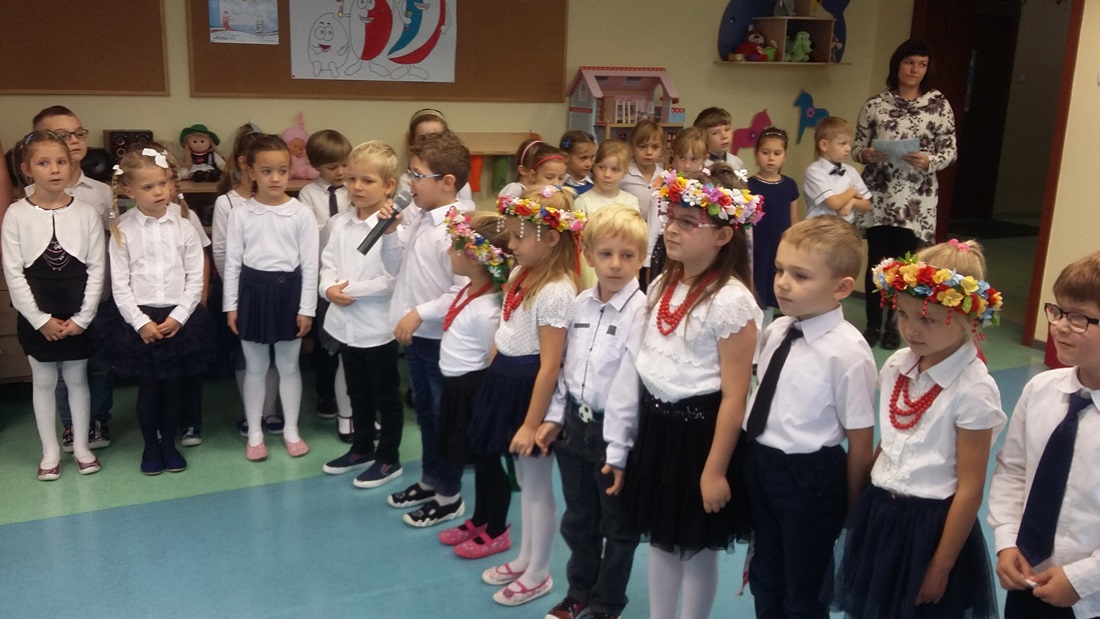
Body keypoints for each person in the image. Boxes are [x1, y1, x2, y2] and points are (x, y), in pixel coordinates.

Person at [833, 239, 1004, 619]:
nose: (911, 329)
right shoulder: (897, 364)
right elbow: (892, 441)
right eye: (903, 314)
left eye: (928, 319)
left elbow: (970, 488)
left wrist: (941, 565)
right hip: (881, 512)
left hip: (931, 527)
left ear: (968, 319)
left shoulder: (974, 389)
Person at [622, 165, 763, 619]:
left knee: (696, 547)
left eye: (687, 222)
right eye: (670, 218)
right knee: (662, 539)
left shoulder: (732, 301)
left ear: (723, 236)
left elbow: (735, 396)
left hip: (701, 438)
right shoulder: (664, 281)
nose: (671, 229)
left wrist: (715, 471)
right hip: (658, 430)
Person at [742, 217, 876, 618]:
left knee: (804, 589)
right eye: (780, 270)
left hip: (810, 479)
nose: (783, 283)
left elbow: (861, 440)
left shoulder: (848, 353)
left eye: (800, 276)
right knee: (765, 574)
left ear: (842, 288)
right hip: (761, 463)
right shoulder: (776, 331)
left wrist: (852, 506)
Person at [469, 185, 584, 607]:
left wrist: (532, 423)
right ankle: (524, 557)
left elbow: (550, 365)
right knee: (523, 479)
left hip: (530, 389)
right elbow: (508, 326)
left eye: (519, 236)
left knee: (536, 487)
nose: (511, 245)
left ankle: (539, 572)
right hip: (506, 379)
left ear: (552, 238)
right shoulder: (522, 273)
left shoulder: (557, 290)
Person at [535, 204, 647, 619]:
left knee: (617, 525)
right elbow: (567, 368)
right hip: (574, 429)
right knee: (578, 519)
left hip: (612, 435)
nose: (616, 264)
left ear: (642, 258)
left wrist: (617, 451)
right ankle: (579, 590)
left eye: (627, 255)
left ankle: (607, 602)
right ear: (587, 255)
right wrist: (553, 417)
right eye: (606, 254)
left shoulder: (641, 312)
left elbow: (628, 387)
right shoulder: (580, 304)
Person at [988, 250, 1100, 619]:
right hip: (1029, 576)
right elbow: (1013, 470)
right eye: (1059, 311)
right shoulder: (1041, 389)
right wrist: (1007, 541)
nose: (1061, 326)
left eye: (1079, 318)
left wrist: (1082, 579)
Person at [100, 147, 212, 474]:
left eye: (163, 183)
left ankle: (169, 445)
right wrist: (140, 323)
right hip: (142, 319)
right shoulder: (123, 229)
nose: (158, 191)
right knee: (150, 387)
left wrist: (179, 316)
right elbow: (120, 285)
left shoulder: (184, 225)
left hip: (179, 317)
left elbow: (195, 276)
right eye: (148, 187)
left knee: (174, 385)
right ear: (129, 191)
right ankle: (151, 446)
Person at [379, 132, 471, 525]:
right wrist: (388, 234)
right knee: (427, 417)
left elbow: (464, 290)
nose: (409, 182)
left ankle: (449, 495)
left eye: (417, 175)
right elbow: (397, 268)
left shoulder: (457, 227)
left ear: (447, 182)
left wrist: (419, 313)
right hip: (417, 339)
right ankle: (431, 480)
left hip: (440, 340)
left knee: (442, 418)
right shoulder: (421, 217)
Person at [2, 131, 104, 479]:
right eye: (44, 163)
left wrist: (84, 317)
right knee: (44, 380)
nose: (55, 169)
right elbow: (13, 272)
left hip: (77, 309)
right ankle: (50, 451)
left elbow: (97, 268)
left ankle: (82, 447)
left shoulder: (86, 212)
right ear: (27, 169)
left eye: (61, 161)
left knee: (77, 378)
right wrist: (38, 319)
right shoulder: (16, 214)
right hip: (37, 311)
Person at [853, 39, 957, 350]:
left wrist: (929, 161)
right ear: (897, 65)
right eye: (909, 62)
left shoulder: (939, 105)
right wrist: (867, 154)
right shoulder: (876, 104)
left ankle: (895, 326)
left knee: (905, 266)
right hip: (880, 194)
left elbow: (950, 151)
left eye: (922, 64)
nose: (915, 70)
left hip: (916, 199)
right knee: (877, 262)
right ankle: (873, 324)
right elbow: (856, 147)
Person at [223, 134, 319, 461]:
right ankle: (255, 432)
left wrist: (307, 308)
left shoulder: (301, 214)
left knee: (289, 366)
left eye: (282, 170)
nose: (275, 178)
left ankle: (291, 429)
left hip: (289, 293)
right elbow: (232, 263)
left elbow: (310, 265)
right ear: (251, 172)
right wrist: (231, 305)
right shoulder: (240, 214)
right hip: (252, 292)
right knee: (255, 366)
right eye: (266, 171)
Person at [318, 140, 404, 488]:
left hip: (377, 329)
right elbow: (327, 264)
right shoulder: (339, 223)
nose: (356, 187)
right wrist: (328, 289)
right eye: (351, 179)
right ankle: (362, 447)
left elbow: (392, 280)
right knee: (357, 392)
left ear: (389, 186)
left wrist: (349, 290)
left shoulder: (395, 229)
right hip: (345, 327)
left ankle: (388, 458)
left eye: (367, 181)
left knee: (385, 396)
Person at [31, 106, 114, 452]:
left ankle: (98, 419)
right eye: (62, 135)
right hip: (54, 301)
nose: (75, 140)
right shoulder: (30, 197)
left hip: (97, 295)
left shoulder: (100, 191)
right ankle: (70, 425)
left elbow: (112, 241)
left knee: (100, 365)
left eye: (79, 133)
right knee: (63, 372)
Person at [437, 208, 512, 559]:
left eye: (454, 245)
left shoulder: (487, 309)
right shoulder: (469, 291)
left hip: (476, 390)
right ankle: (480, 519)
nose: (448, 251)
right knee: (480, 462)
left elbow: (491, 358)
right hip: (459, 390)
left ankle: (497, 530)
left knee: (489, 462)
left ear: (474, 256)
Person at [211, 125, 283, 439]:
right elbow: (221, 251)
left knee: (275, 352)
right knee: (247, 356)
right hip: (243, 289)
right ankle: (251, 412)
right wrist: (237, 289)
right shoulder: (227, 204)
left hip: (275, 289)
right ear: (246, 165)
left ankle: (271, 410)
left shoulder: (279, 201)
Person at [298, 129, 352, 425]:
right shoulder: (308, 194)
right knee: (324, 340)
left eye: (345, 164)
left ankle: (351, 395)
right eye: (333, 167)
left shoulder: (353, 190)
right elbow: (311, 236)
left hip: (351, 275)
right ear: (316, 166)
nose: (341, 172)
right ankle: (325, 393)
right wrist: (335, 224)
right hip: (322, 276)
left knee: (348, 341)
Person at [747, 127, 800, 314]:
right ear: (756, 154)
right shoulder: (749, 185)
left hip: (780, 244)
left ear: (785, 156)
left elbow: (794, 219)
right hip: (757, 244)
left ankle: (768, 323)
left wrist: (795, 244)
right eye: (765, 153)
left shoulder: (789, 185)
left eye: (777, 153)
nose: (771, 158)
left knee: (774, 285)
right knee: (757, 285)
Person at [648, 128, 707, 285]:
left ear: (704, 160)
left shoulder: (708, 190)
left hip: (696, 250)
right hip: (667, 247)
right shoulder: (664, 186)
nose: (687, 165)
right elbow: (654, 226)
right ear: (673, 157)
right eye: (682, 158)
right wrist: (647, 261)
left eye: (694, 159)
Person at [397, 109, 476, 210]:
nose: (429, 143)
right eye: (422, 139)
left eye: (436, 137)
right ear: (413, 140)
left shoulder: (462, 192)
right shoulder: (406, 182)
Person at [620, 119, 667, 286]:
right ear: (632, 147)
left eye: (655, 147)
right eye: (642, 147)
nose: (648, 152)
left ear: (662, 149)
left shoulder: (665, 176)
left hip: (654, 235)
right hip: (629, 232)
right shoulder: (624, 173)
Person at [803, 117, 871, 223]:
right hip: (820, 229)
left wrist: (853, 202)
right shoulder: (814, 171)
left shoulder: (851, 171)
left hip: (845, 228)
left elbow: (867, 205)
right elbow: (834, 203)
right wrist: (853, 191)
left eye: (849, 143)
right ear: (824, 145)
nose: (848, 148)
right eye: (842, 143)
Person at [574, 139, 639, 217]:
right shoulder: (582, 202)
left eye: (615, 169)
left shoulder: (631, 202)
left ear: (625, 173)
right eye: (601, 167)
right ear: (594, 167)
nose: (607, 175)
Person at [497, 140, 568, 199]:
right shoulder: (516, 189)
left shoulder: (544, 194)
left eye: (561, 178)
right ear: (533, 175)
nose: (556, 184)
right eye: (549, 177)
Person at [693, 106, 746, 171]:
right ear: (703, 137)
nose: (724, 136)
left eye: (727, 129)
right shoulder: (698, 165)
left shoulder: (737, 163)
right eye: (715, 133)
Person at [559, 130, 596, 196]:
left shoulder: (595, 185)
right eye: (583, 158)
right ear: (565, 157)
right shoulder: (557, 185)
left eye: (592, 157)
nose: (589, 164)